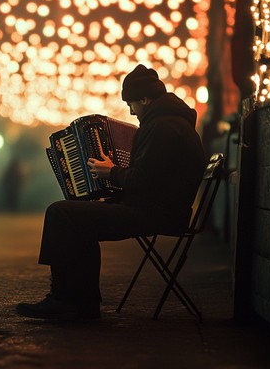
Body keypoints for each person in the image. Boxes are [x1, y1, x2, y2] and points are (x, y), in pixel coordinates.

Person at [16, 64, 206, 321]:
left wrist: (112, 172)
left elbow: (143, 179)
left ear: (145, 99)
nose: (130, 111)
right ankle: (80, 302)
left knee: (61, 212)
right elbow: (153, 180)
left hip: (154, 213)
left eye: (131, 103)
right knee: (76, 217)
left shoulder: (163, 128)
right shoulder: (172, 124)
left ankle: (66, 299)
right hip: (158, 209)